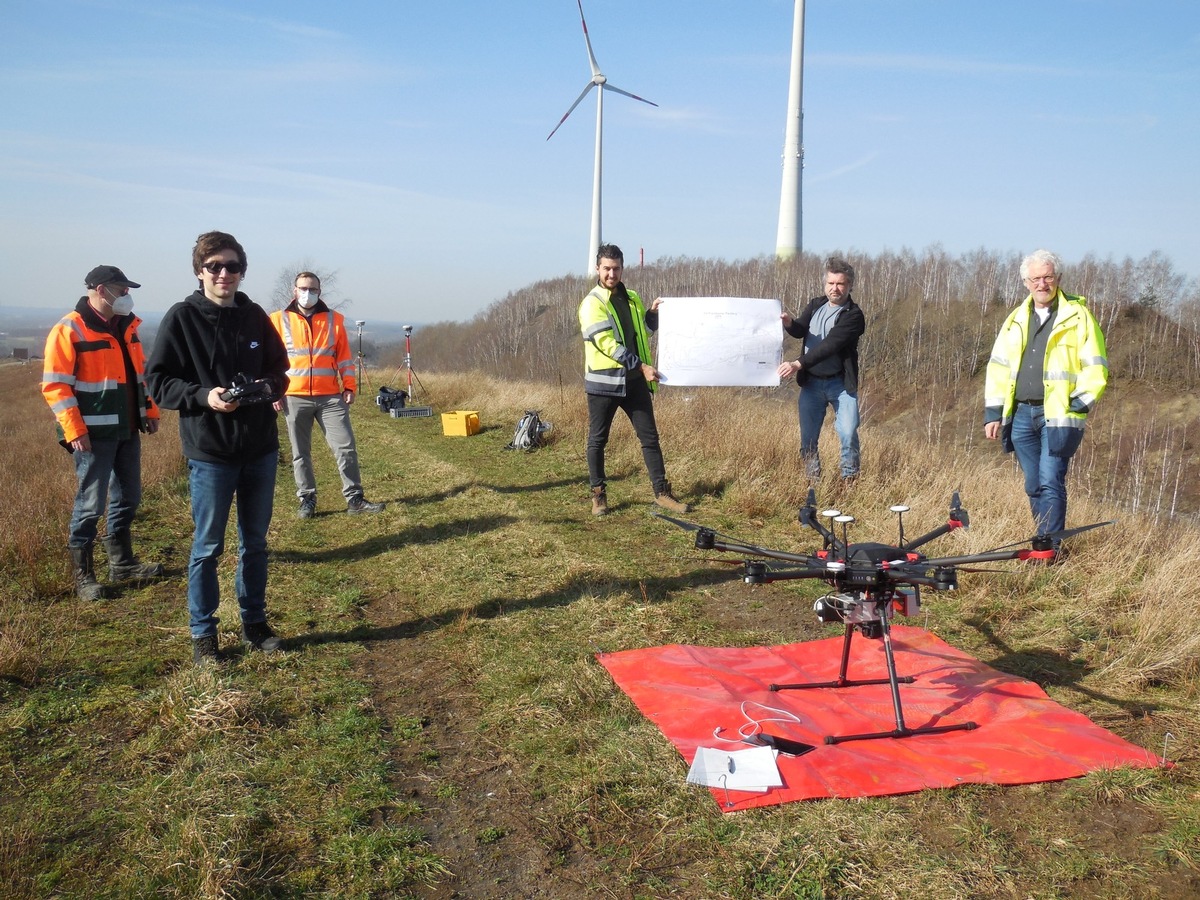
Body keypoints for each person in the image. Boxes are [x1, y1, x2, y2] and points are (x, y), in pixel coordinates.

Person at [145, 232, 290, 666]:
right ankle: (203, 635)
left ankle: (255, 622)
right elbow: (159, 382)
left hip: (260, 449)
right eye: (215, 266)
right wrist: (205, 397)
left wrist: (264, 388)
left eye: (232, 266)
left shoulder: (254, 316)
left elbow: (281, 371)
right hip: (210, 453)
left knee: (256, 543)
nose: (224, 274)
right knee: (208, 546)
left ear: (242, 271)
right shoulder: (182, 318)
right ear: (199, 271)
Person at [42, 265, 165, 601]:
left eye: (127, 289)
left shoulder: (128, 327)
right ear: (99, 289)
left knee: (129, 497)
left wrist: (150, 410)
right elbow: (55, 385)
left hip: (127, 427)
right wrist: (73, 430)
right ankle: (84, 578)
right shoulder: (70, 329)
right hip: (92, 434)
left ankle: (122, 563)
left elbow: (140, 374)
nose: (127, 295)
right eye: (120, 289)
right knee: (89, 504)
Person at [983, 249, 1108, 540]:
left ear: (1058, 279)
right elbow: (998, 368)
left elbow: (1097, 366)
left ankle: (1049, 549)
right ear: (1026, 282)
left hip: (1059, 415)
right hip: (1022, 415)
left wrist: (1079, 404)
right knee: (1033, 485)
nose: (1042, 284)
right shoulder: (1015, 319)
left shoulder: (1079, 316)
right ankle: (1043, 539)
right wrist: (993, 413)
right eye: (1036, 278)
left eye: (1048, 277)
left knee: (1051, 480)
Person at [579, 243, 688, 517]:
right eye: (606, 269)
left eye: (616, 269)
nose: (611, 274)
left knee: (650, 438)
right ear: (597, 269)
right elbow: (608, 344)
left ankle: (662, 494)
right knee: (598, 440)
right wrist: (642, 367)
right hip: (604, 384)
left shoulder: (632, 297)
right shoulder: (592, 304)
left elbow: (643, 332)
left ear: (622, 268)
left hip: (634, 383)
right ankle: (598, 495)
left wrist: (652, 314)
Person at [269, 272, 384, 518]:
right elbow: (270, 361)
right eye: (302, 288)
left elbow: (343, 358)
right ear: (294, 290)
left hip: (330, 397)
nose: (307, 293)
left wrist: (349, 386)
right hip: (293, 396)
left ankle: (355, 499)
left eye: (312, 289)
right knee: (300, 452)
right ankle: (307, 499)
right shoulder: (278, 320)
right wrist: (274, 392)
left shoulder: (334, 320)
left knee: (345, 447)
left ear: (320, 292)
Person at [776, 257, 866, 481]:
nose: (835, 288)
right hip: (812, 384)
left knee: (847, 434)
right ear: (825, 284)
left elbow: (831, 344)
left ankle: (849, 481)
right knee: (807, 439)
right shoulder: (816, 305)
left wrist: (798, 363)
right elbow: (799, 331)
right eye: (831, 283)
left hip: (841, 384)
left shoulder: (854, 316)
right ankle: (813, 482)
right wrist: (788, 322)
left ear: (849, 286)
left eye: (840, 284)